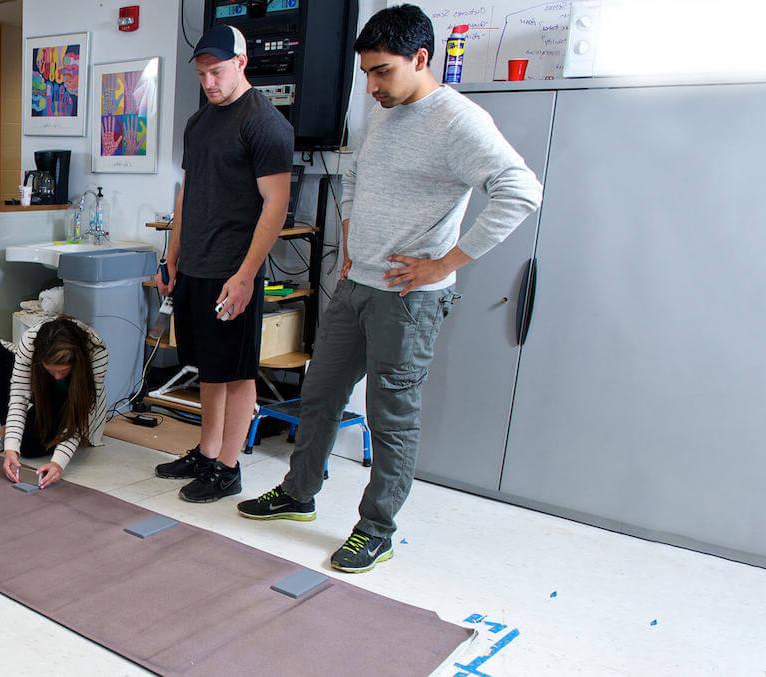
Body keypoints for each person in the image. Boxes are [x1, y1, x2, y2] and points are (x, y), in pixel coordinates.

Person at [238, 4, 544, 573]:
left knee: (391, 418)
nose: (372, 86)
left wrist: (447, 262)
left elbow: (521, 192)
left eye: (382, 72)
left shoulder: (458, 122)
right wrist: (351, 237)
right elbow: (355, 173)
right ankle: (298, 494)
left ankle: (376, 528)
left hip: (408, 301)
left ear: (420, 59)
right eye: (367, 74)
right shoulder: (383, 111)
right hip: (356, 287)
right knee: (321, 396)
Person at [153, 24, 294, 503]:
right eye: (202, 74)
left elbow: (275, 205)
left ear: (242, 62)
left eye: (217, 71)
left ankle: (229, 467)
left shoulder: (264, 123)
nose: (209, 82)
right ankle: (206, 451)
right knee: (208, 368)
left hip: (233, 270)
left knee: (236, 373)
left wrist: (246, 275)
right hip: (195, 264)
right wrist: (171, 257)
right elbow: (187, 194)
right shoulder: (198, 123)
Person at [0, 317, 109, 489]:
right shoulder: (31, 341)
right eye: (51, 370)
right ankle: (7, 429)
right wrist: (11, 448)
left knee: (28, 446)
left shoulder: (96, 351)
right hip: (40, 387)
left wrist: (58, 463)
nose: (57, 377)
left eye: (62, 371)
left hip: (68, 399)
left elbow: (79, 415)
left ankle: (25, 429)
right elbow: (19, 395)